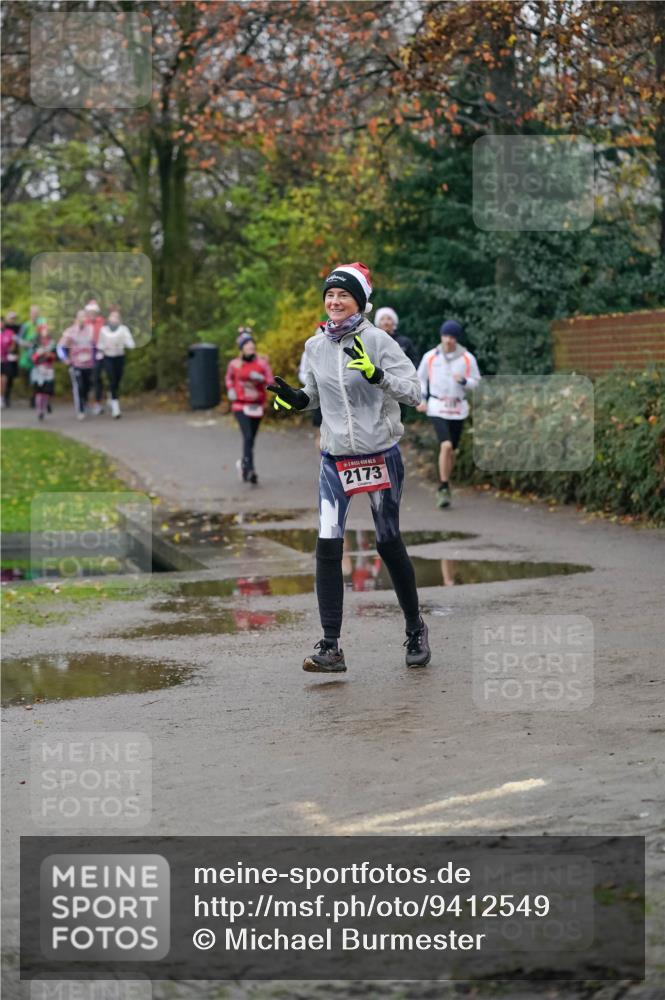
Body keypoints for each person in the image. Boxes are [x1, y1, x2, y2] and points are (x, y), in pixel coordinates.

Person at [267, 261, 431, 673]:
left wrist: (376, 375)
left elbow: (414, 391)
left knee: (387, 542)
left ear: (359, 300)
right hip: (336, 458)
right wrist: (297, 400)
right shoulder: (315, 346)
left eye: (343, 294)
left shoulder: (379, 341)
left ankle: (414, 628)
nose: (335, 301)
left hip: (379, 455)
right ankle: (330, 646)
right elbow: (316, 393)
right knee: (327, 543)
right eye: (330, 294)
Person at [416, 319, 482, 509]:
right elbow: (420, 378)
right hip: (437, 406)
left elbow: (477, 382)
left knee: (451, 450)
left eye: (452, 337)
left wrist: (464, 382)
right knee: (445, 446)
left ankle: (446, 482)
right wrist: (422, 399)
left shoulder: (467, 358)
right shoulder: (431, 356)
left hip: (458, 409)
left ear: (457, 339)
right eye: (445, 336)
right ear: (441, 336)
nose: (448, 340)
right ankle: (443, 487)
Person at [225, 328, 273, 485]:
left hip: (257, 405)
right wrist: (231, 389)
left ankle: (243, 464)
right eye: (247, 345)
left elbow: (271, 382)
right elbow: (229, 379)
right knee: (248, 437)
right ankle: (251, 469)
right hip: (240, 405)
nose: (251, 347)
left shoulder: (262, 363)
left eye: (252, 345)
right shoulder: (235, 365)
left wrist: (261, 379)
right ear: (242, 348)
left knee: (251, 439)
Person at [57, 310, 97, 419]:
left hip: (89, 364)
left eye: (84, 317)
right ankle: (80, 410)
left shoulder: (91, 330)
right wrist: (64, 358)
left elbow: (96, 345)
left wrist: (97, 356)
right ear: (76, 318)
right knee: (79, 386)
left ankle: (85, 403)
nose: (83, 319)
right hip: (76, 364)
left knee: (88, 387)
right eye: (80, 317)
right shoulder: (70, 332)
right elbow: (60, 347)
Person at [97, 308, 135, 419]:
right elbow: (100, 344)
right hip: (108, 358)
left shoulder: (123, 330)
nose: (113, 319)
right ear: (108, 319)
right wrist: (103, 349)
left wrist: (127, 343)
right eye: (112, 316)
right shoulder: (104, 330)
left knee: (117, 380)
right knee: (112, 380)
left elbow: (130, 342)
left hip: (119, 357)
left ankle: (111, 397)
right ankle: (116, 408)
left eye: (116, 317)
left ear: (119, 320)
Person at [30, 321, 57, 421]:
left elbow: (55, 356)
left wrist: (50, 355)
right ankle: (39, 411)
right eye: (44, 329)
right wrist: (38, 354)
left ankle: (44, 408)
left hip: (48, 369)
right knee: (39, 392)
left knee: (46, 392)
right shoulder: (36, 343)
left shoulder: (52, 343)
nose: (46, 331)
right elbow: (32, 357)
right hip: (38, 370)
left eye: (47, 329)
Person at [84, 300, 106, 415]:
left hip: (98, 352)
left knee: (96, 378)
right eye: (89, 312)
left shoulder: (102, 322)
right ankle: (86, 402)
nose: (91, 314)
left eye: (94, 312)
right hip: (86, 354)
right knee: (87, 379)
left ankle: (97, 402)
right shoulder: (84, 323)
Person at [18, 305, 41, 405]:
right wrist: (26, 343)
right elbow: (19, 339)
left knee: (37, 377)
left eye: (36, 313)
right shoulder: (26, 325)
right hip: (28, 356)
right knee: (29, 378)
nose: (35, 315)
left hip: (39, 356)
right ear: (30, 314)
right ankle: (31, 396)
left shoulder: (41, 325)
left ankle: (35, 397)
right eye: (33, 313)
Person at [1, 312, 20, 408]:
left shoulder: (12, 330)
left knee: (7, 379)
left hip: (8, 358)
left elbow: (15, 342)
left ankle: (4, 397)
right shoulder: (4, 330)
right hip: (2, 357)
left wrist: (12, 350)